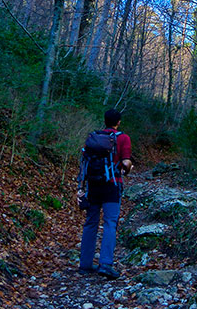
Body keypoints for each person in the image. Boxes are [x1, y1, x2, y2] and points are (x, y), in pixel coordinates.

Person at [78, 109, 132, 279]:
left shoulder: (94, 137)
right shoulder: (123, 138)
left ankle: (85, 264)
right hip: (112, 186)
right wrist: (128, 168)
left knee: (91, 223)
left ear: (105, 120)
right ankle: (106, 264)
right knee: (110, 223)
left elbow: (84, 162)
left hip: (93, 186)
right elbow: (125, 162)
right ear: (119, 122)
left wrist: (81, 187)